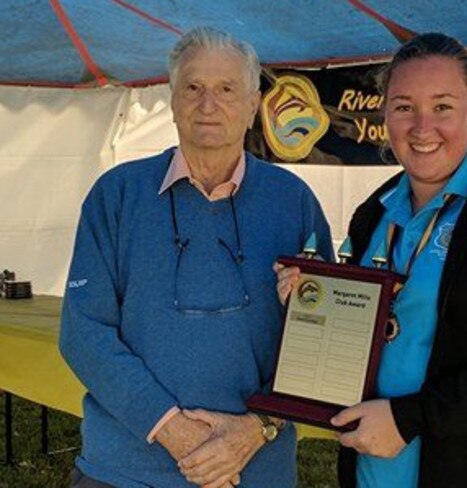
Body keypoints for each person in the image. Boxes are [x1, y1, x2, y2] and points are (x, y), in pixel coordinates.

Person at [276, 32, 467, 488]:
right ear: (384, 113)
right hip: (375, 472)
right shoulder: (376, 212)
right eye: (404, 107)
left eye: (442, 106)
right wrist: (313, 305)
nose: (422, 128)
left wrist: (410, 418)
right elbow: (371, 330)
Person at [60, 27, 332, 488]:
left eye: (227, 89)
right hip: (124, 472)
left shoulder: (295, 202)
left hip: (254, 471)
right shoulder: (117, 194)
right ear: (172, 100)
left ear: (252, 106)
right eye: (193, 87)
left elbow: (324, 341)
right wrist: (177, 434)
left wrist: (256, 429)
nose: (209, 104)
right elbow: (83, 333)